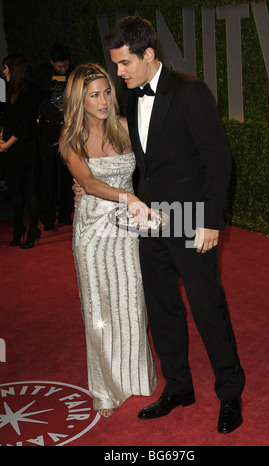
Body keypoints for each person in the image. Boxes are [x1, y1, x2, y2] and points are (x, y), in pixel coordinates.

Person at [101, 16, 245, 433]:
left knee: (206, 307)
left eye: (125, 63)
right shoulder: (131, 95)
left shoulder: (189, 91)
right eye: (116, 65)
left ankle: (230, 392)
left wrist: (212, 221)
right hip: (151, 220)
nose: (120, 73)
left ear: (148, 55)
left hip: (191, 220)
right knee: (161, 306)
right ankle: (178, 386)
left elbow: (218, 157)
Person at [59, 63, 157, 417]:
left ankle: (135, 379)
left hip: (127, 230)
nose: (103, 101)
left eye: (105, 92)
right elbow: (88, 183)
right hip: (93, 231)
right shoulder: (71, 137)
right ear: (78, 100)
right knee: (99, 309)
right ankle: (106, 388)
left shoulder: (126, 128)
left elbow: (152, 166)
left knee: (132, 301)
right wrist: (126, 197)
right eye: (94, 95)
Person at [0, 54, 41, 248]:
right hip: (9, 147)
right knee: (14, 188)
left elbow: (25, 125)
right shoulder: (11, 89)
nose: (4, 72)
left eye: (6, 68)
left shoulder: (30, 91)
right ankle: (18, 229)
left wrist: (7, 144)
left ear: (14, 69)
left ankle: (33, 229)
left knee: (29, 187)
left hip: (24, 147)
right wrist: (1, 137)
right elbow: (7, 118)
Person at [35, 43, 74, 231]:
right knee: (48, 176)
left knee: (68, 175)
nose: (64, 69)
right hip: (48, 130)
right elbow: (38, 100)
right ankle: (48, 218)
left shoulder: (74, 72)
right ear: (52, 63)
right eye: (60, 67)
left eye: (66, 65)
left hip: (67, 129)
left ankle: (66, 214)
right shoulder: (42, 73)